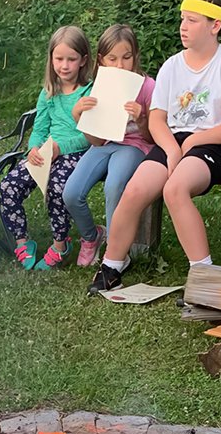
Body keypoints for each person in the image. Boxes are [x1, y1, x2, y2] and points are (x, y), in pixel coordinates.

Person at [89, 0, 221, 294]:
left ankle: (203, 275)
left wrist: (193, 143)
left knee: (175, 189)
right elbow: (157, 120)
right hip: (174, 142)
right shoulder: (172, 66)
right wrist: (172, 149)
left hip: (218, 144)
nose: (183, 27)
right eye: (182, 19)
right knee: (134, 189)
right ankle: (112, 266)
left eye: (192, 20)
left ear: (215, 25)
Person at [0, 26, 92, 270]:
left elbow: (89, 136)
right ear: (51, 59)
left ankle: (61, 245)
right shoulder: (49, 92)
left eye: (71, 59)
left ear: (83, 60)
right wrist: (33, 148)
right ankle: (22, 241)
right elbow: (39, 129)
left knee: (57, 187)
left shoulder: (89, 92)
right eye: (59, 59)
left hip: (76, 153)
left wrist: (61, 147)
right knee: (8, 185)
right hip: (48, 152)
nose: (64, 66)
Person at [63, 24, 155, 268]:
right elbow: (96, 141)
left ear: (135, 56)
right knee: (71, 192)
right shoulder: (100, 86)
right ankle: (93, 236)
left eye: (126, 57)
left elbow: (152, 138)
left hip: (135, 146)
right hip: (105, 144)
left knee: (114, 186)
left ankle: (116, 255)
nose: (120, 65)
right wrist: (78, 117)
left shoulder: (147, 87)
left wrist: (142, 119)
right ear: (102, 60)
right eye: (112, 59)